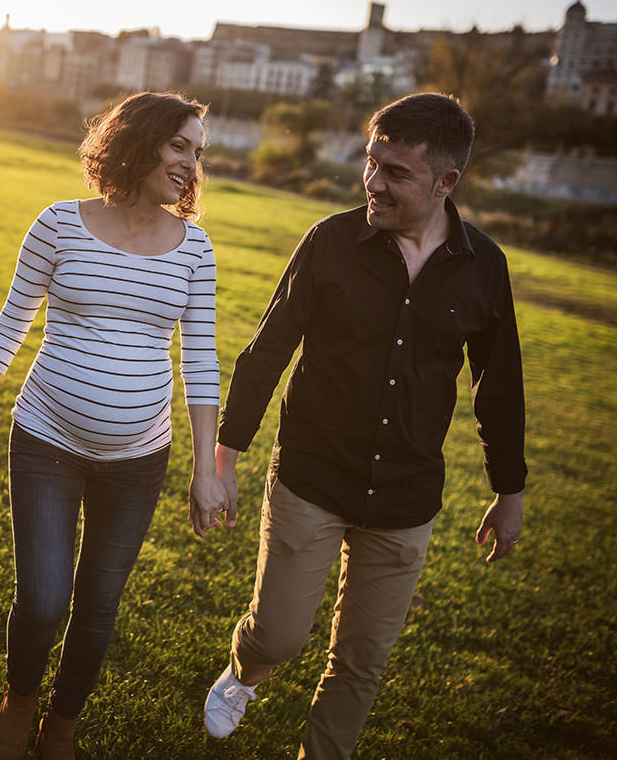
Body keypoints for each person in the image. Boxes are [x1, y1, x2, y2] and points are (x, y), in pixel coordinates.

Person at [202, 93, 527, 759]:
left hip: (407, 499)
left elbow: (499, 385)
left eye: (395, 172)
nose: (374, 182)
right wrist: (224, 458)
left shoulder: (485, 267)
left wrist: (510, 489)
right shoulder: (330, 241)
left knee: (361, 662)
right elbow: (267, 351)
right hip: (311, 478)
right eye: (371, 162)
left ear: (445, 183)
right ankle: (247, 668)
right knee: (280, 635)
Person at [0, 91, 234, 760]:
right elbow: (10, 322)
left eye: (199, 152)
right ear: (137, 141)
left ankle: (62, 723)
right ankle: (20, 698)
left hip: (139, 458)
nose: (192, 164)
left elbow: (200, 359)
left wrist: (203, 468)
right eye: (180, 146)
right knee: (45, 597)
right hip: (46, 437)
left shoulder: (195, 248)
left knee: (99, 602)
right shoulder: (58, 224)